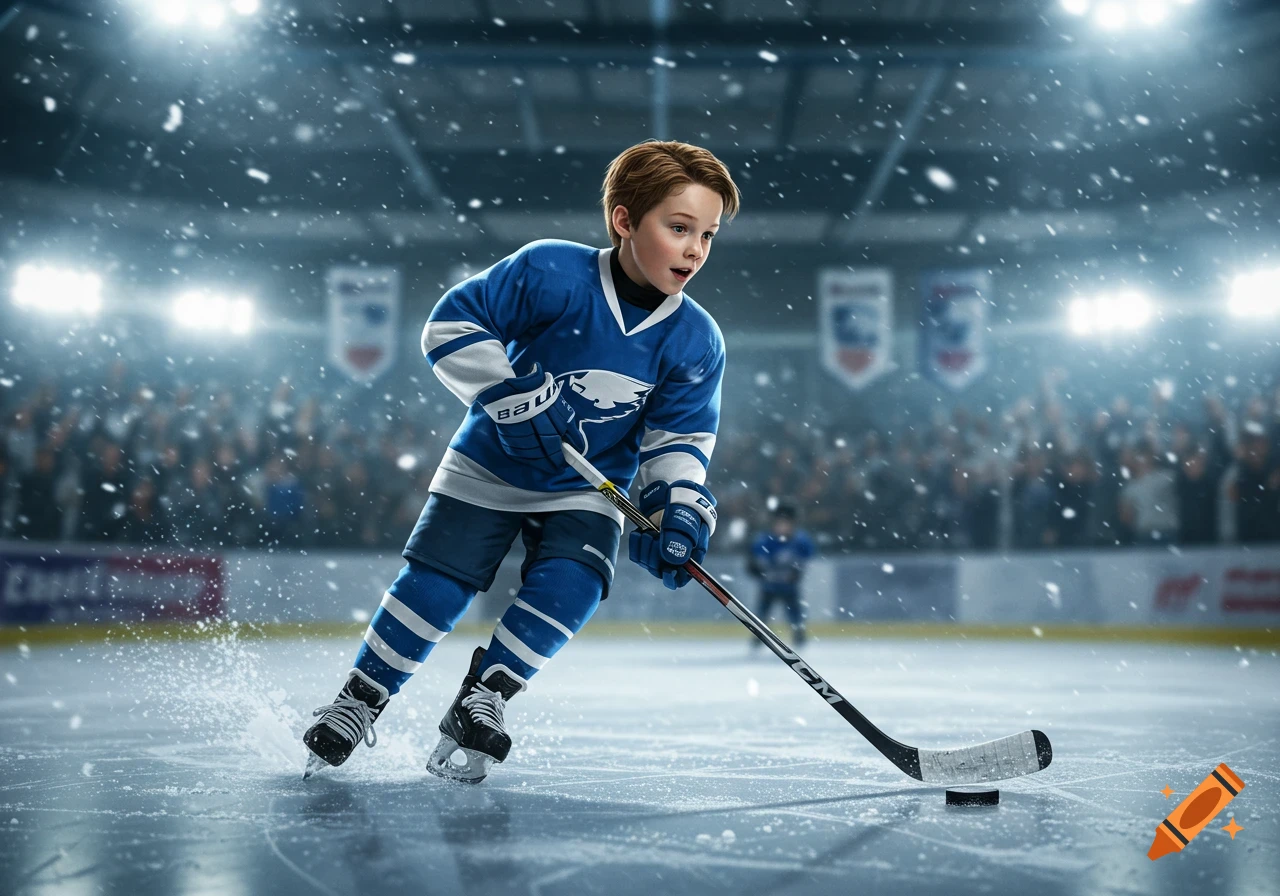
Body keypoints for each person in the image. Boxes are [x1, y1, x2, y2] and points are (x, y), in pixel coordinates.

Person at [303, 140, 740, 783]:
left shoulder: (698, 338)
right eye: (678, 229)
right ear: (623, 220)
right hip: (488, 465)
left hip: (587, 488)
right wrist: (507, 399)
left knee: (573, 584)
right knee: (437, 583)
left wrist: (674, 503)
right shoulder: (549, 271)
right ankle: (360, 697)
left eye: (707, 235)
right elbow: (450, 326)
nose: (695, 250)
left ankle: (486, 697)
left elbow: (679, 438)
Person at [747, 504, 815, 649]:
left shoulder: (801, 541)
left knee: (795, 612)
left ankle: (798, 633)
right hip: (769, 586)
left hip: (789, 586)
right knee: (762, 612)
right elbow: (755, 562)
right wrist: (757, 570)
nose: (782, 527)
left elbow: (805, 562)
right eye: (779, 523)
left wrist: (797, 573)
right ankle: (758, 634)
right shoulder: (764, 540)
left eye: (786, 524)